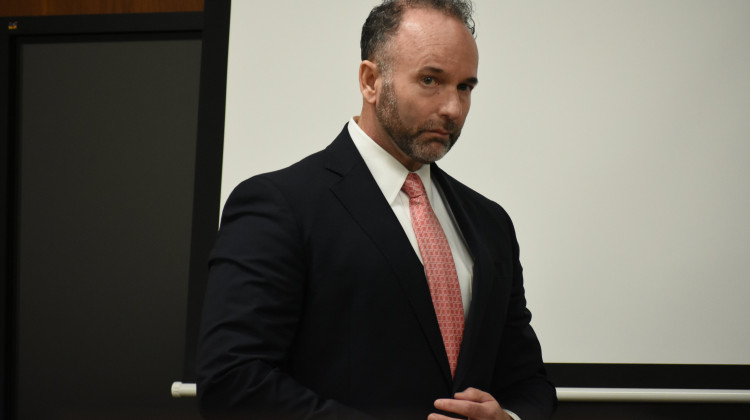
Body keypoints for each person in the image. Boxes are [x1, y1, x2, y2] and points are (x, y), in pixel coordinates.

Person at [196, 1, 557, 419]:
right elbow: (232, 382)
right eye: (430, 80)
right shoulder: (279, 205)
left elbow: (527, 380)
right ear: (370, 80)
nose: (453, 109)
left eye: (465, 87)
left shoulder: (490, 224)